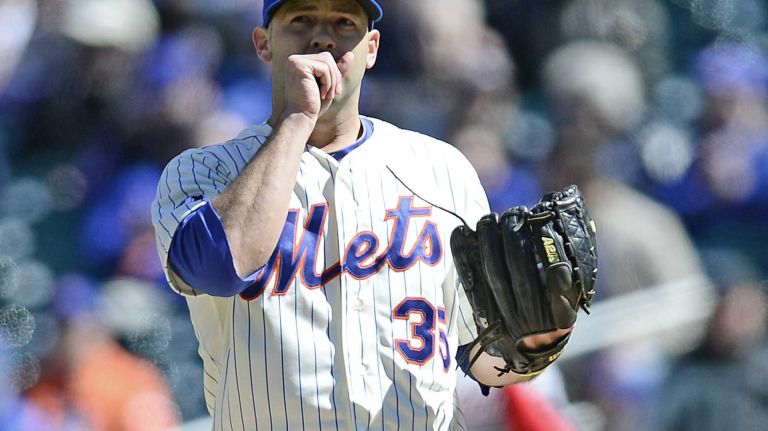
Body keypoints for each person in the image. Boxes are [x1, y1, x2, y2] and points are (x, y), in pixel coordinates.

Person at [152, 1, 572, 429]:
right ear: (264, 44)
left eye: (344, 22)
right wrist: (297, 119)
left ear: (371, 48)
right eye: (300, 20)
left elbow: (480, 354)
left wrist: (538, 340)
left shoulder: (442, 168)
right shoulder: (204, 172)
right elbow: (217, 269)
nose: (323, 37)